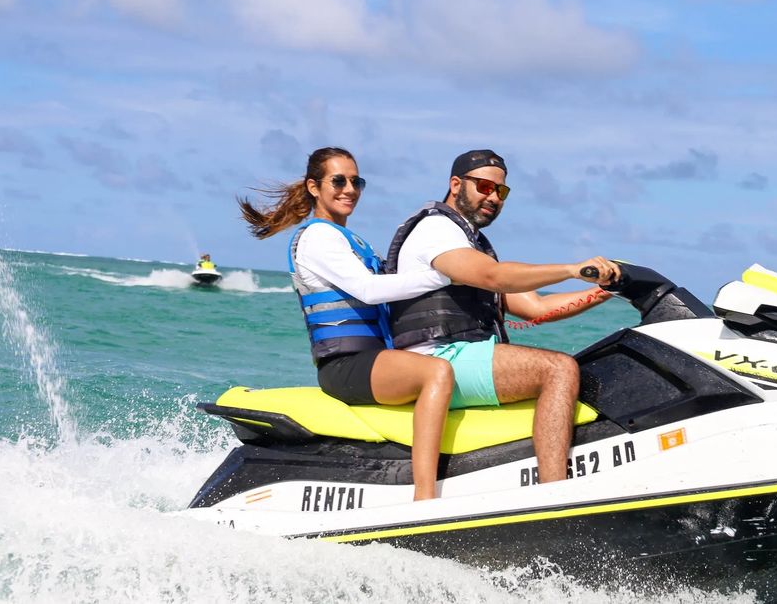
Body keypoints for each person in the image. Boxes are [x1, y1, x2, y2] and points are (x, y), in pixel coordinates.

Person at [385, 149, 620, 485]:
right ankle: (553, 495)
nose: (493, 197)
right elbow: (494, 277)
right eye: (484, 187)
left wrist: (608, 289)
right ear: (456, 184)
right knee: (558, 368)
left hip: (461, 356)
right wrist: (571, 269)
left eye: (501, 191)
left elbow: (536, 307)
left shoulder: (471, 242)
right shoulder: (436, 230)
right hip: (435, 358)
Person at [238, 147, 455, 501]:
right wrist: (442, 278)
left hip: (372, 361)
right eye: (338, 180)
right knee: (437, 373)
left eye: (356, 181)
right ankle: (425, 497)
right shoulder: (317, 238)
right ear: (314, 187)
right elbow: (369, 290)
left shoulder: (349, 240)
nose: (349, 189)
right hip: (346, 365)